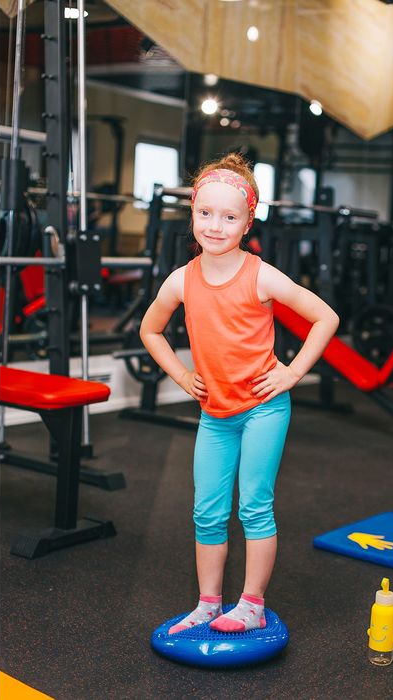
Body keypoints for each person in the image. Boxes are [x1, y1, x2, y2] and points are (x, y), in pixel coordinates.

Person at [139, 153, 339, 634]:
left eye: (229, 217)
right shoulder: (181, 279)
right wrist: (182, 376)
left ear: (248, 222)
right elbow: (150, 330)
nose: (215, 225)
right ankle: (209, 603)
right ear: (192, 213)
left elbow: (325, 317)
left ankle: (252, 604)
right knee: (206, 512)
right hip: (215, 414)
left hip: (263, 410)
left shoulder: (261, 275)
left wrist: (293, 373)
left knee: (254, 506)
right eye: (205, 213)